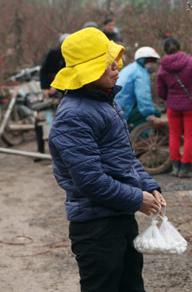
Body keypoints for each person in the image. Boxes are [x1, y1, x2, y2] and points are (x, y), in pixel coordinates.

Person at [48, 27, 166, 292]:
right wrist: (137, 199)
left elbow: (125, 158)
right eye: (107, 63)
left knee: (131, 285)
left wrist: (148, 185)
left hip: (118, 216)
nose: (116, 67)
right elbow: (90, 181)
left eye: (114, 60)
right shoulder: (74, 116)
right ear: (87, 72)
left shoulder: (106, 103)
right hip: (95, 227)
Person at [157, 37, 192, 178]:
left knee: (174, 135)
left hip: (172, 107)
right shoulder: (190, 62)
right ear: (180, 47)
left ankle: (175, 167)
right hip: (190, 106)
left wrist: (169, 98)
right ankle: (185, 169)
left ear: (165, 51)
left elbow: (160, 91)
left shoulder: (163, 67)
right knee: (189, 136)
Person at [115, 46, 163, 129]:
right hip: (124, 110)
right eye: (150, 60)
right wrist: (150, 115)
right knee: (156, 112)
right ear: (143, 60)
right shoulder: (141, 73)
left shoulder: (130, 68)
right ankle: (142, 137)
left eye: (154, 61)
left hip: (116, 106)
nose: (153, 63)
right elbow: (143, 97)